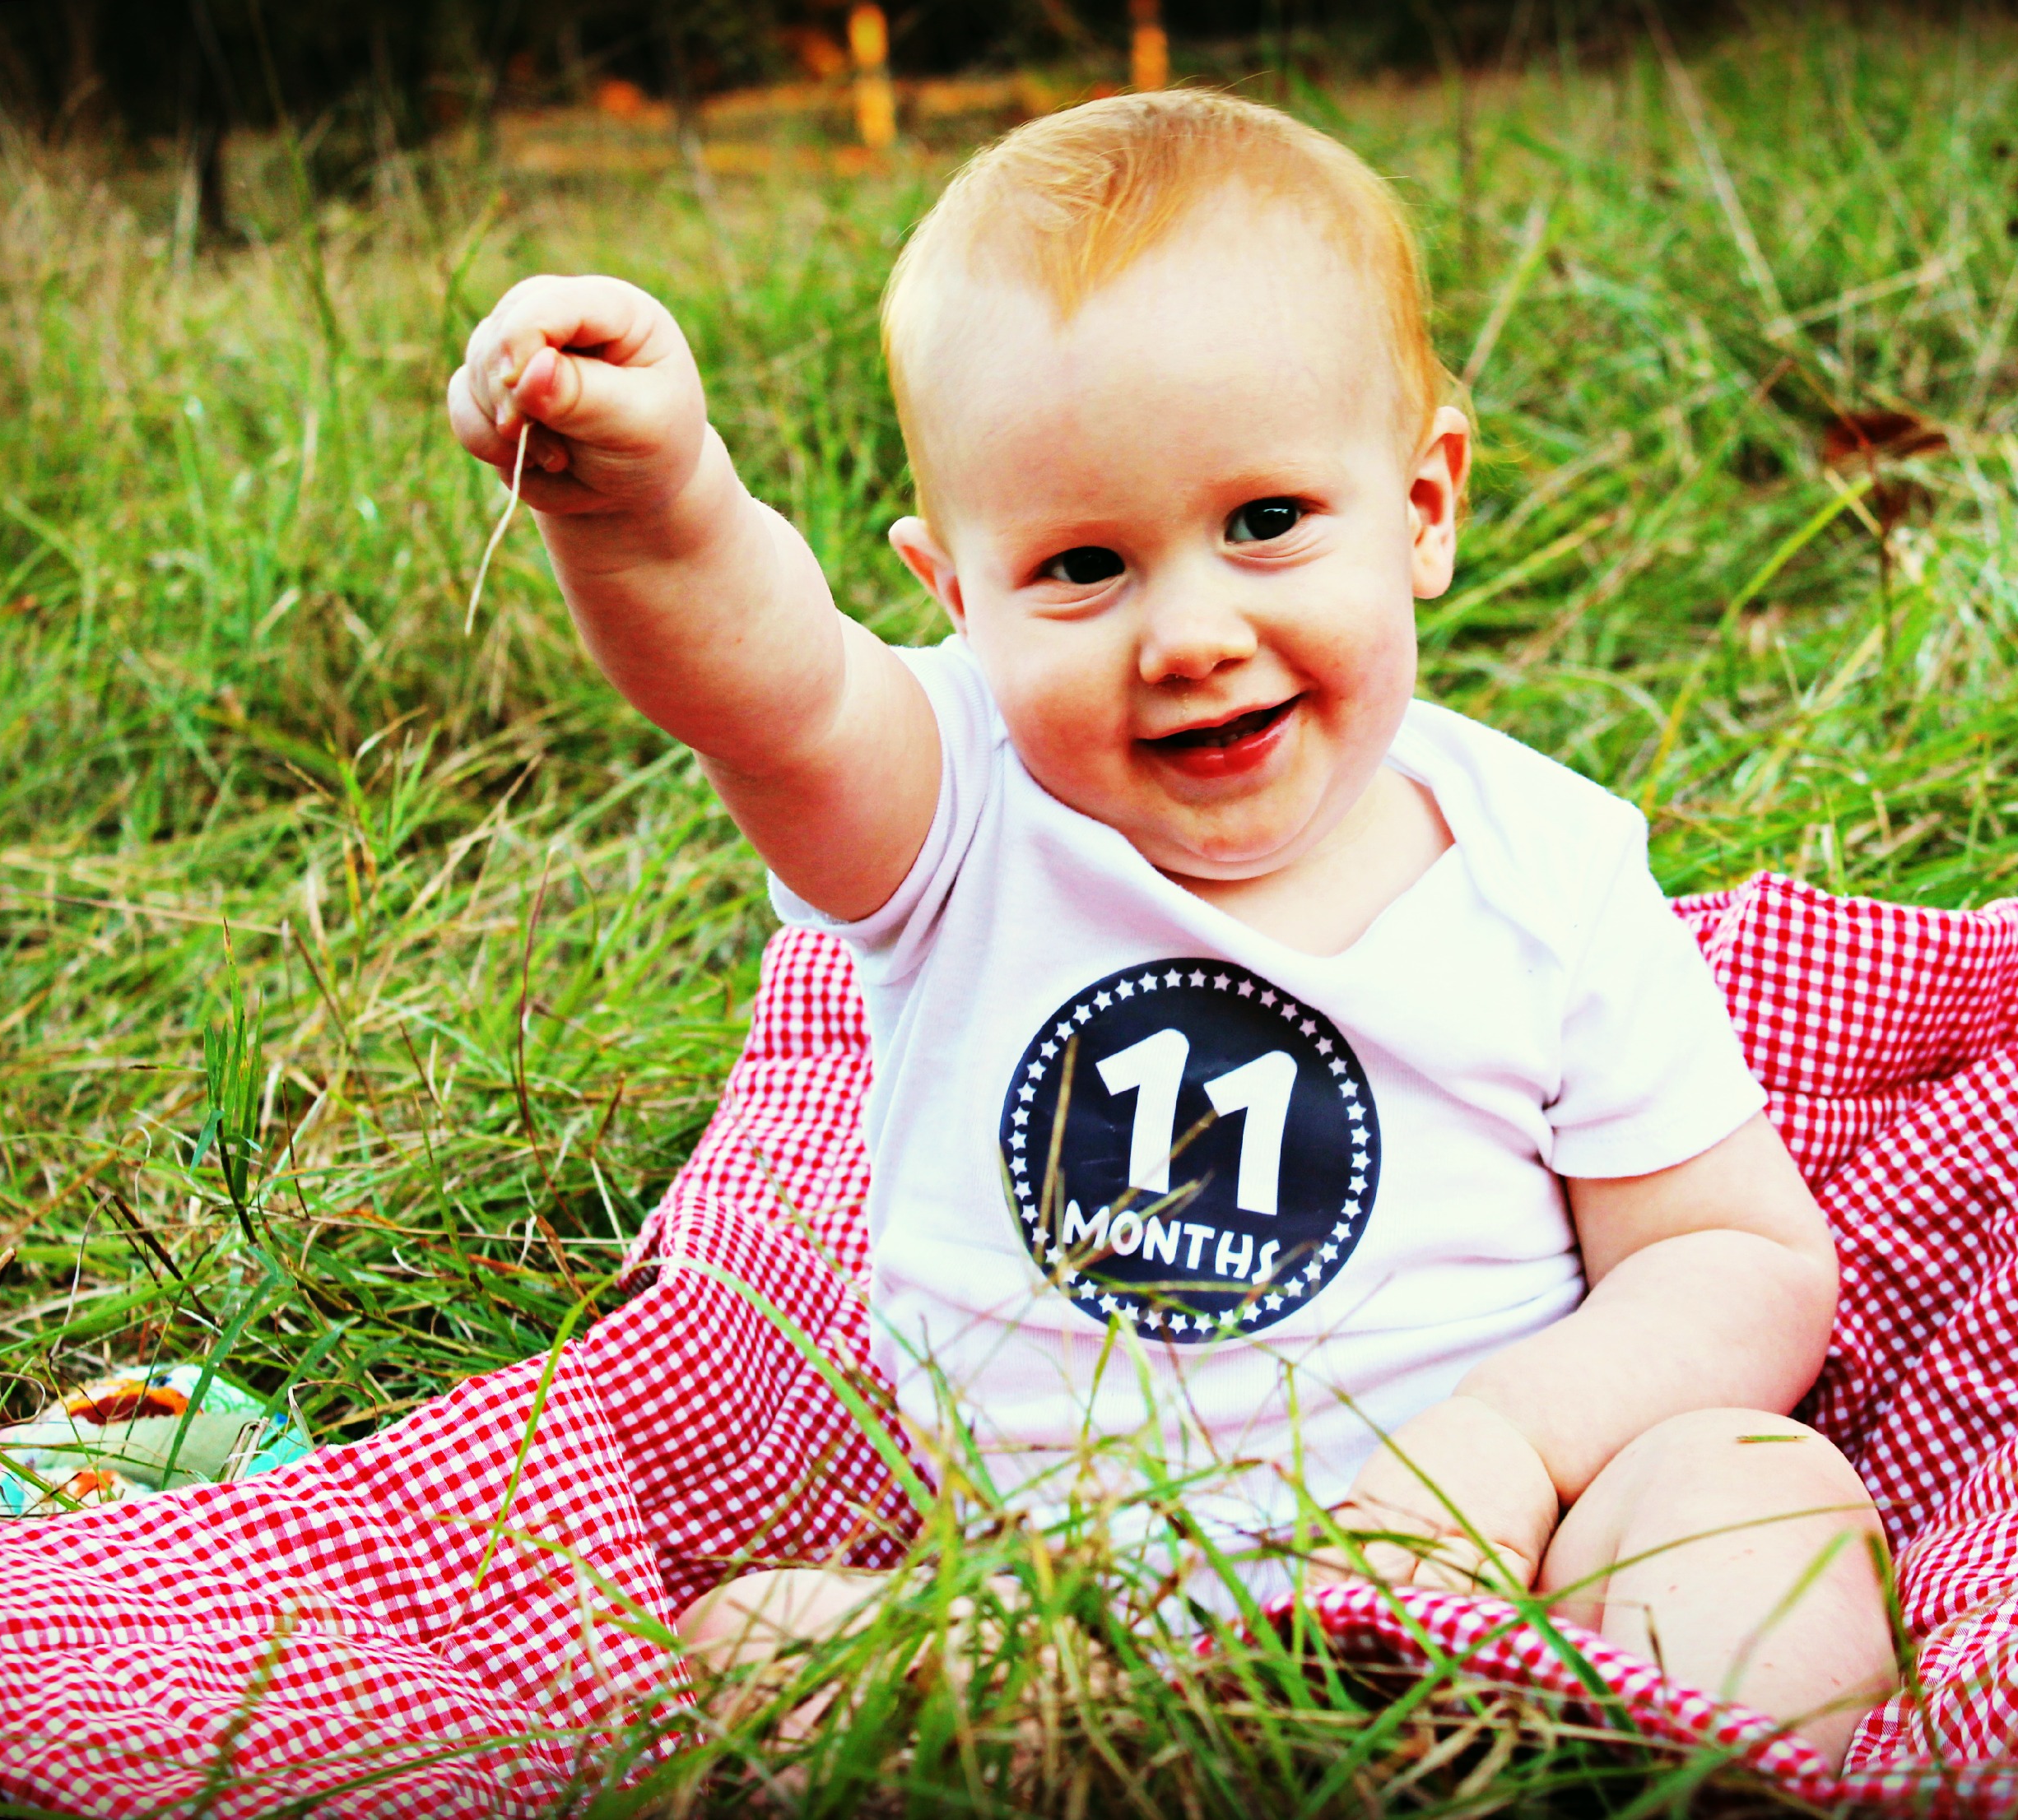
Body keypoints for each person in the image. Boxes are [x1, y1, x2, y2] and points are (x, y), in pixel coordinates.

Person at [447, 89, 1895, 1761]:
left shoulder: (1544, 871)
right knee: (751, 1642)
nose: (1191, 633)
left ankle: (1710, 1775)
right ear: (955, 597)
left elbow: (1734, 1258)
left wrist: (1510, 1443)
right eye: (1081, 565)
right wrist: (652, 510)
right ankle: (1148, 1769)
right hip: (1072, 1624)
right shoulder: (954, 811)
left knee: (1747, 1495)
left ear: (1422, 506)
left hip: (1511, 1575)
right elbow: (770, 694)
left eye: (1265, 522)